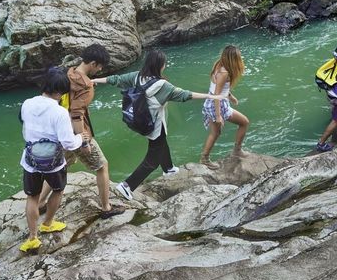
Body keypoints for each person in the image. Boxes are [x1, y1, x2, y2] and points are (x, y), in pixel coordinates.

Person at [94, 49, 226, 199]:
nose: (165, 65)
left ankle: (168, 168)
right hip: (152, 124)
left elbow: (115, 79)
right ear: (159, 66)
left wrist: (93, 81)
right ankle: (127, 186)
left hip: (140, 119)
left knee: (161, 141)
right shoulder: (163, 85)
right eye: (164, 63)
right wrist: (211, 95)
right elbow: (185, 95)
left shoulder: (137, 76)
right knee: (152, 160)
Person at [39, 44, 124, 219]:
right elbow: (76, 114)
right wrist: (83, 141)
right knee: (102, 165)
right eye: (100, 66)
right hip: (76, 133)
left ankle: (40, 202)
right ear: (93, 63)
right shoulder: (85, 85)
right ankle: (106, 208)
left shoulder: (68, 73)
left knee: (61, 166)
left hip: (58, 130)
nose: (100, 69)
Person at [19, 67, 88, 253]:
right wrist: (82, 138)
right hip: (53, 162)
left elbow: (23, 123)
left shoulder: (27, 103)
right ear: (60, 91)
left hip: (31, 160)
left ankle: (32, 238)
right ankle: (48, 223)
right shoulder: (59, 113)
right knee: (58, 190)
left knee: (32, 197)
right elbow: (68, 142)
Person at [200, 44, 250, 169]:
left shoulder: (220, 64)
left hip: (217, 101)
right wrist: (218, 116)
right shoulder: (224, 72)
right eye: (238, 57)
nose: (240, 59)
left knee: (242, 123)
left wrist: (230, 96)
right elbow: (217, 94)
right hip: (215, 103)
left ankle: (237, 150)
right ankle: (204, 159)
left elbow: (218, 89)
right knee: (217, 132)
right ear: (232, 59)